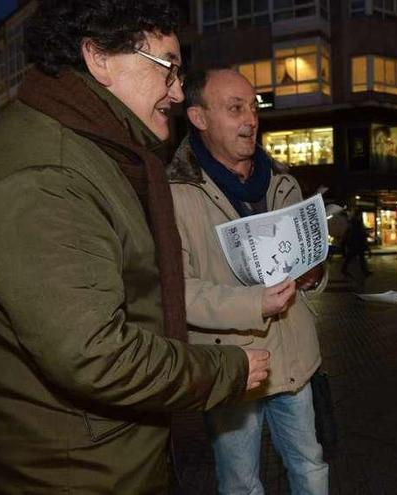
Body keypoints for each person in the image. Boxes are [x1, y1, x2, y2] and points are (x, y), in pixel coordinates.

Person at [0, 1, 269, 492]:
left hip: (92, 456)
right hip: (65, 472)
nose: (179, 93)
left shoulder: (87, 152)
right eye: (168, 69)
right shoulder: (46, 172)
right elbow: (95, 353)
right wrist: (225, 370)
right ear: (98, 58)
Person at [167, 67, 329, 494]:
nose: (250, 119)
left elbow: (305, 271)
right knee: (240, 483)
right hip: (232, 365)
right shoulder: (175, 195)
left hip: (294, 358)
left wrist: (314, 277)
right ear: (199, 118)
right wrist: (253, 304)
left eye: (253, 107)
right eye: (235, 108)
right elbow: (176, 291)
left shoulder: (283, 183)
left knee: (310, 465)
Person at [342, 208, 372, 276]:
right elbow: (360, 232)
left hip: (354, 243)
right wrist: (367, 235)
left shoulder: (353, 221)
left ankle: (364, 271)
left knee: (356, 257)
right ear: (359, 215)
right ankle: (364, 271)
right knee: (358, 258)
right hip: (357, 243)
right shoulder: (357, 222)